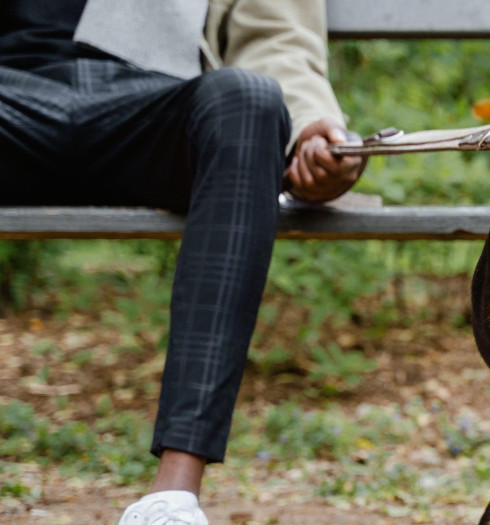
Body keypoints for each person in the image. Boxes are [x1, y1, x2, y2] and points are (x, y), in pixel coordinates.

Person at [0, 1, 363, 523]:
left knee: (249, 99)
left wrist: (309, 129)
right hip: (13, 97)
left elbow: (275, 36)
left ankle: (172, 500)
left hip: (152, 107)